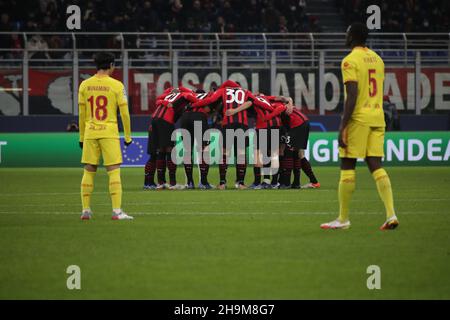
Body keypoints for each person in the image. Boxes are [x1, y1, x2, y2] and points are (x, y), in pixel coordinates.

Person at [320, 23, 399, 230]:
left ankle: (343, 218)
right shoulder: (378, 59)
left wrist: (342, 125)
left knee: (347, 165)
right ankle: (391, 215)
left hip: (359, 118)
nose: (345, 36)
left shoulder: (349, 61)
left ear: (353, 36)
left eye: (347, 33)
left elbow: (352, 96)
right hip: (378, 117)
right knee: (375, 164)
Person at [78, 52, 133, 220]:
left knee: (89, 170)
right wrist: (128, 136)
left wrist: (81, 137)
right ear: (111, 65)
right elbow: (124, 114)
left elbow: (81, 113)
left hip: (90, 132)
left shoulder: (85, 85)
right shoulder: (117, 85)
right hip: (108, 132)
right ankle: (116, 211)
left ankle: (86, 210)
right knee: (113, 170)